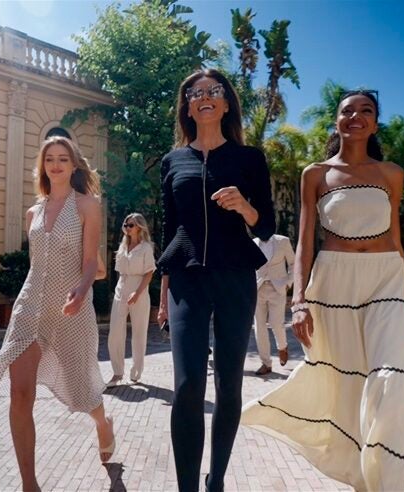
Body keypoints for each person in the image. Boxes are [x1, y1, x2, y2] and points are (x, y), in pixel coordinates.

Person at [242, 90, 404, 492]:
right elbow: (305, 241)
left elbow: (396, 237)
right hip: (333, 281)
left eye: (366, 110)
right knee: (348, 386)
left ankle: (389, 484)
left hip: (385, 278)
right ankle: (360, 478)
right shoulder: (316, 174)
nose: (356, 116)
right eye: (347, 110)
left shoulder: (391, 173)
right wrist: (298, 301)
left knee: (389, 379)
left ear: (375, 123)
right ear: (336, 121)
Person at [0, 136, 115, 492]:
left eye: (63, 159)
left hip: (72, 308)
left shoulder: (88, 206)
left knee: (81, 390)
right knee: (19, 393)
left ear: (75, 165)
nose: (56, 165)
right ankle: (30, 484)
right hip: (30, 307)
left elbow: (92, 261)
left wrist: (82, 288)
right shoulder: (34, 212)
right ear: (43, 167)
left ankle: (102, 422)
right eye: (50, 160)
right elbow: (37, 266)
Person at [157, 68, 275, 492]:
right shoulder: (173, 161)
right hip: (187, 280)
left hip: (234, 278)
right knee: (188, 384)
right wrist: (163, 294)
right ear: (187, 106)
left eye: (213, 90)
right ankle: (186, 486)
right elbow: (169, 231)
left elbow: (266, 227)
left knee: (229, 383)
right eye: (194, 92)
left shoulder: (249, 159)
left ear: (226, 104)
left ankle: (216, 480)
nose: (204, 96)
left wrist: (245, 206)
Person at [107, 213, 156, 387]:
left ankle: (135, 373)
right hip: (121, 289)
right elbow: (119, 272)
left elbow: (149, 272)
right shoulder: (122, 247)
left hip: (139, 291)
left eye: (131, 225)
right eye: (126, 225)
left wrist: (137, 293)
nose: (127, 228)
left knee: (138, 334)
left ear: (139, 227)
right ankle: (117, 373)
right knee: (115, 333)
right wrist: (120, 292)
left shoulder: (146, 248)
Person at [252, 233, 295, 375]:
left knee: (276, 323)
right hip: (258, 288)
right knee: (259, 326)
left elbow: (293, 263)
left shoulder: (283, 241)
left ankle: (282, 347)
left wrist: (288, 283)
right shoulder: (253, 242)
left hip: (278, 287)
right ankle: (266, 363)